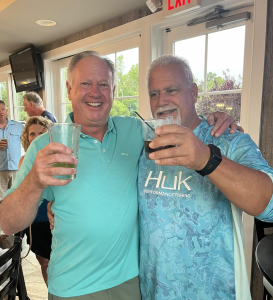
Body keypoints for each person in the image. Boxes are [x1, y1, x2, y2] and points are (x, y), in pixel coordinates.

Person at [0, 51, 241, 300]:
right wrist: (34, 183)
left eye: (103, 84)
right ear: (69, 89)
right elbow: (7, 224)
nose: (95, 92)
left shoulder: (137, 131)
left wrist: (215, 122)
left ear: (113, 90)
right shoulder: (45, 146)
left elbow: (180, 121)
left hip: (131, 282)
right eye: (85, 83)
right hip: (72, 286)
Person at [137, 55, 273, 300]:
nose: (161, 101)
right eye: (154, 93)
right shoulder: (145, 142)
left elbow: (269, 206)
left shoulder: (227, 138)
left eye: (171, 90)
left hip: (214, 292)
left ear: (194, 92)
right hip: (152, 291)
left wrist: (206, 159)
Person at [19, 116, 52, 284]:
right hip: (36, 220)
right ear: (27, 137)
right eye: (32, 134)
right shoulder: (24, 161)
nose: (37, 137)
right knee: (44, 263)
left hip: (55, 217)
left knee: (59, 262)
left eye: (42, 133)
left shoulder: (57, 158)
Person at [0, 100, 23, 202]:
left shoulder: (18, 126)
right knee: (1, 200)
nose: (1, 112)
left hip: (16, 168)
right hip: (0, 170)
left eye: (3, 109)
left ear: (6, 110)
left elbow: (28, 143)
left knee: (16, 197)